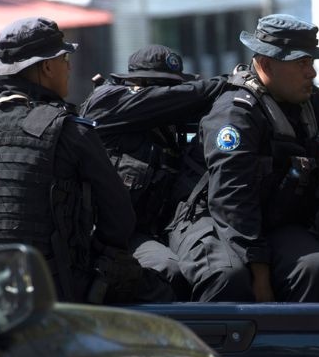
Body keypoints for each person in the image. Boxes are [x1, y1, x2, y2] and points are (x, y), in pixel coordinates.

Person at [0, 17, 137, 304]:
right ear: (47, 66)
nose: (69, 67)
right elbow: (120, 220)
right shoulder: (70, 131)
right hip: (52, 299)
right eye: (64, 58)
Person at [172, 14, 319, 303]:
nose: (311, 73)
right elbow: (232, 200)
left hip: (271, 219)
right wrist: (260, 275)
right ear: (266, 64)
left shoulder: (307, 101)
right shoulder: (235, 113)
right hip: (210, 218)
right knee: (228, 278)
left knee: (316, 268)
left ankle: (299, 347)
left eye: (311, 63)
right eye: (301, 63)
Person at [80, 44, 227, 299]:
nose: (168, 94)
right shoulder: (107, 103)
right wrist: (226, 81)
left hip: (153, 230)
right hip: (106, 235)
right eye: (159, 86)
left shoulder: (168, 130)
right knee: (166, 270)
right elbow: (178, 98)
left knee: (213, 267)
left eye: (172, 86)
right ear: (136, 83)